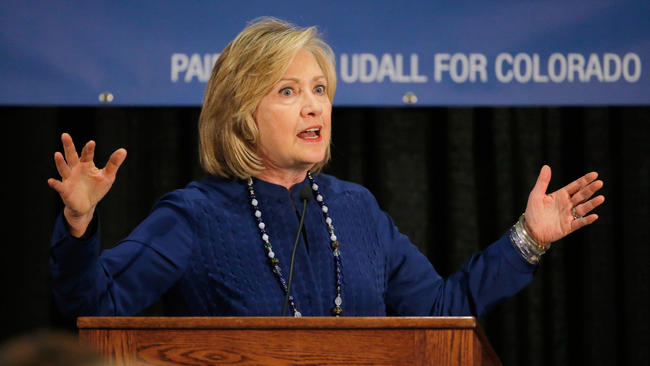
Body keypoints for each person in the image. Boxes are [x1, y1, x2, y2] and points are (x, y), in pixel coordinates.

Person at [47, 18, 604, 319]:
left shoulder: (355, 209)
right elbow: (96, 303)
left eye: (320, 90)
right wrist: (78, 224)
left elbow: (441, 311)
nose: (315, 106)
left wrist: (529, 237)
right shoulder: (192, 217)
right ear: (242, 117)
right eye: (288, 91)